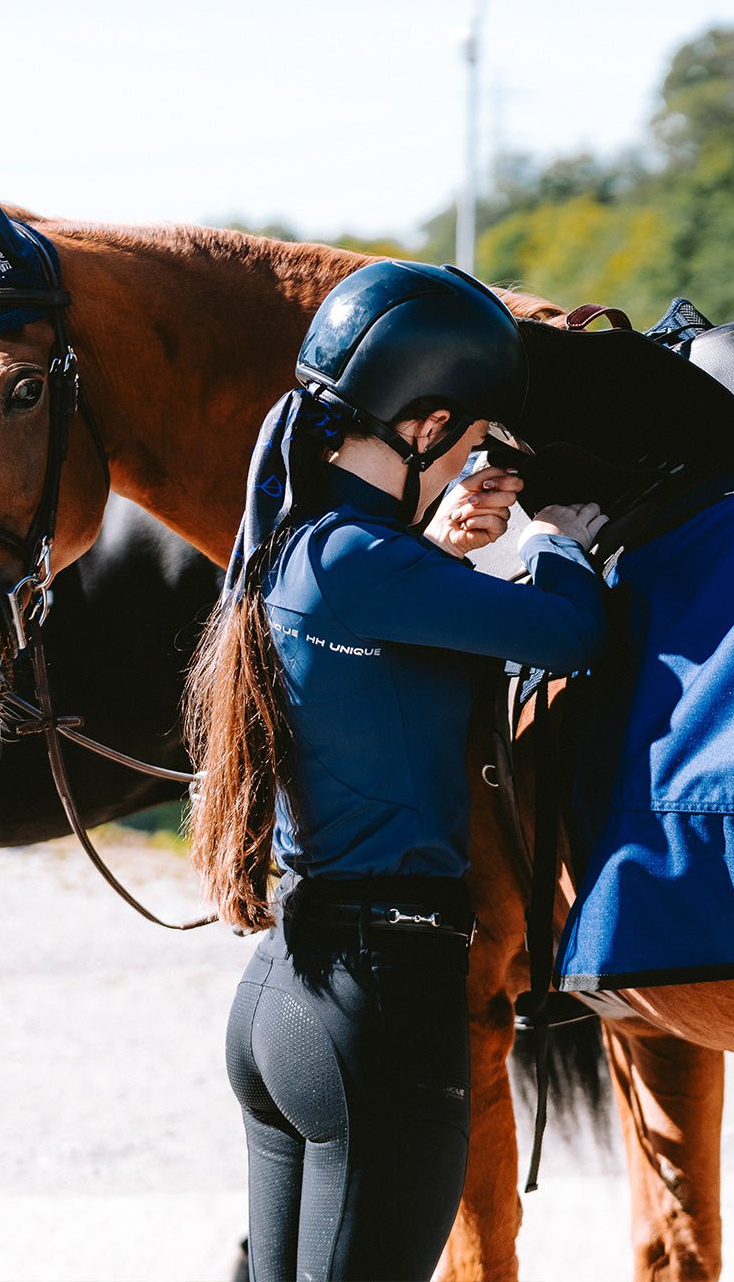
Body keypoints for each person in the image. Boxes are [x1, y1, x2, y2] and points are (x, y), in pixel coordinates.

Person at [185, 260, 607, 1282]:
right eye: (469, 439)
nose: (470, 460)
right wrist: (553, 533)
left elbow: (381, 634)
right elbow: (570, 631)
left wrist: (442, 546)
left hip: (287, 991)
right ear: (426, 426)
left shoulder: (300, 546)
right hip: (381, 1003)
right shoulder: (365, 563)